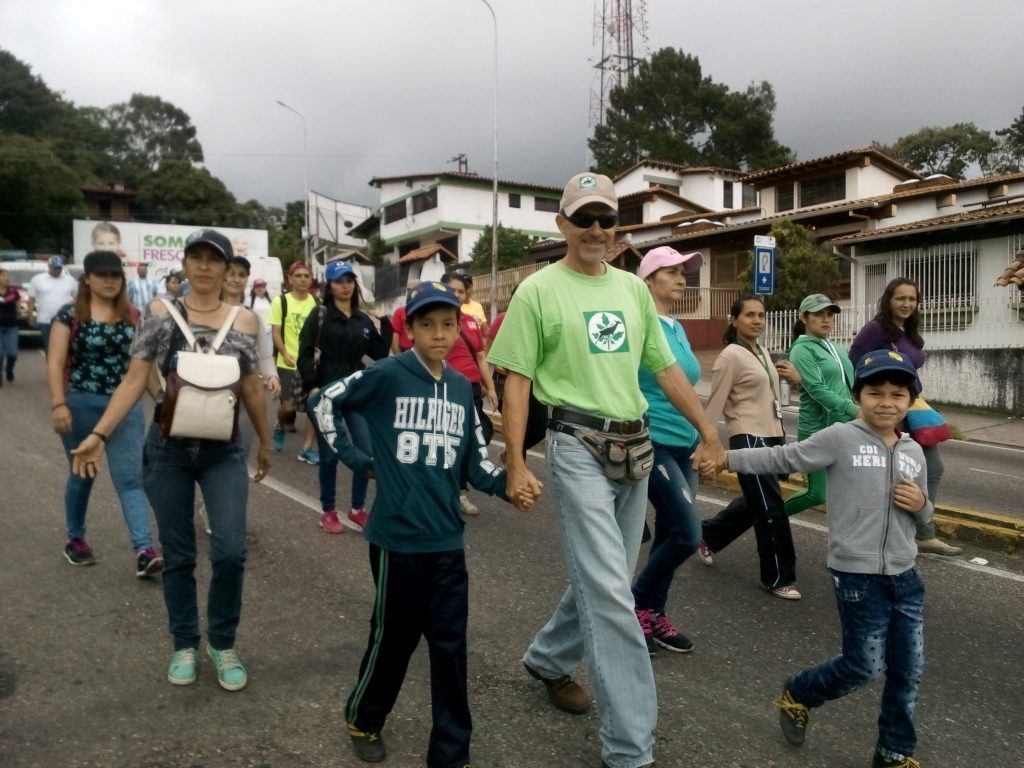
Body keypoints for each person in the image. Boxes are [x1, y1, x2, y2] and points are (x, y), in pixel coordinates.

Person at [487, 172, 725, 768]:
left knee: (608, 578)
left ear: (617, 229)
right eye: (584, 219)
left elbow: (666, 369)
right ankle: (629, 748)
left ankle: (546, 659)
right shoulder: (538, 292)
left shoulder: (632, 290)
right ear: (562, 224)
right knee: (613, 598)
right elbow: (516, 381)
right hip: (575, 445)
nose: (595, 230)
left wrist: (707, 429)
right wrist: (516, 462)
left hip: (635, 446)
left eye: (605, 220)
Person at [309, 281, 535, 768]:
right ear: (408, 329)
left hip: (447, 543)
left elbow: (475, 463)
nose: (439, 334)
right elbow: (324, 401)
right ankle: (364, 718)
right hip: (397, 542)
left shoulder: (459, 388)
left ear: (459, 328)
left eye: (448, 325)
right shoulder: (389, 374)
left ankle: (451, 753)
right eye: (427, 325)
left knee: (451, 647)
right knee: (394, 638)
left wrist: (508, 486)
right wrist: (353, 455)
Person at [70, 229, 273, 692]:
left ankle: (222, 643)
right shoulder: (161, 314)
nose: (204, 267)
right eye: (195, 258)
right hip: (169, 452)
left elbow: (251, 389)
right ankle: (184, 641)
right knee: (179, 555)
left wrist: (263, 442)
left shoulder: (245, 322)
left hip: (223, 453)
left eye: (213, 260)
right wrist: (99, 433)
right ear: (185, 265)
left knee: (230, 550)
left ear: (226, 270)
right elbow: (133, 379)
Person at [720, 349, 931, 768]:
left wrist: (922, 503)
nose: (886, 402)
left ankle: (893, 752)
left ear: (910, 401)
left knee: (909, 670)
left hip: (905, 576)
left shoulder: (914, 453)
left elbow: (928, 525)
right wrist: (725, 458)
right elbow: (784, 457)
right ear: (858, 395)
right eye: (875, 392)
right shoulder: (841, 437)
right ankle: (801, 692)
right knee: (863, 666)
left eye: (897, 394)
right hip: (857, 575)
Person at [45, 250, 161, 574]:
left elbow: (143, 370)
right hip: (80, 403)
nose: (110, 281)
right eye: (102, 275)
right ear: (88, 279)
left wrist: (166, 402)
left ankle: (144, 549)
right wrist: (58, 404)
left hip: (124, 407)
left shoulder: (135, 317)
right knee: (83, 473)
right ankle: (75, 539)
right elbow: (54, 363)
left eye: (115, 275)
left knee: (130, 478)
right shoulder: (68, 315)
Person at [697, 295, 803, 599]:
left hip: (771, 437)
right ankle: (779, 577)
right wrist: (707, 445)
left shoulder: (760, 351)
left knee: (757, 501)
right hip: (748, 438)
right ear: (734, 321)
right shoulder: (730, 355)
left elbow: (769, 397)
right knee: (770, 509)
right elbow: (715, 403)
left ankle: (707, 535)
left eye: (761, 315)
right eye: (749, 315)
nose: (757, 320)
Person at [629, 246, 706, 654]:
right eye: (672, 272)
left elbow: (685, 384)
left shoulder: (675, 326)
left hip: (684, 443)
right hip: (653, 440)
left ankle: (652, 614)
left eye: (684, 273)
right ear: (649, 279)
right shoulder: (639, 323)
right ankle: (634, 605)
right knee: (688, 534)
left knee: (669, 534)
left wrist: (701, 434)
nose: (682, 279)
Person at [850, 278, 961, 557]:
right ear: (889, 300)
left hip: (912, 407)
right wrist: (870, 397)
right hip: (889, 411)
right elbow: (855, 360)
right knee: (888, 474)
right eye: (901, 298)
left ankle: (922, 533)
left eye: (912, 299)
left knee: (932, 468)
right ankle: (887, 534)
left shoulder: (908, 331)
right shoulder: (875, 330)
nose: (907, 304)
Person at [300, 260, 392, 535]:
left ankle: (356, 509)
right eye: (340, 280)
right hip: (326, 395)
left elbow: (378, 353)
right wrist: (312, 387)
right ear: (330, 284)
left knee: (366, 452)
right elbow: (305, 353)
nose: (345, 285)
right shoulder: (320, 315)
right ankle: (328, 511)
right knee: (329, 455)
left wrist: (385, 323)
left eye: (349, 280)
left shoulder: (362, 319)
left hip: (356, 393)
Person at [783, 293, 859, 517]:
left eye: (829, 314)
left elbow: (848, 384)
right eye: (818, 315)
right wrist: (854, 410)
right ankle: (770, 520)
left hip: (845, 428)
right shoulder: (802, 349)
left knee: (848, 491)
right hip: (817, 429)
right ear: (804, 318)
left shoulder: (835, 348)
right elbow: (816, 389)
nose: (826, 319)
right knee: (816, 495)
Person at [441, 271, 498, 516]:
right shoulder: (435, 320)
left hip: (472, 389)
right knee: (456, 440)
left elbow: (481, 356)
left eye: (461, 291)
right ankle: (458, 492)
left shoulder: (472, 322)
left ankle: (452, 483)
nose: (457, 294)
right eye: (452, 290)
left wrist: (491, 387)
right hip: (447, 389)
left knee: (483, 433)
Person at [222, 256, 282, 449]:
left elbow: (264, 355)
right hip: (212, 395)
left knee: (240, 451)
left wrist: (272, 375)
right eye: (230, 273)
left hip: (246, 395)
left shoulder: (252, 317)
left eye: (241, 275)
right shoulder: (206, 311)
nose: (235, 279)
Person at [269, 261, 319, 463]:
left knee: (313, 406)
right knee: (288, 408)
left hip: (310, 363)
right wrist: (284, 352)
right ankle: (280, 425)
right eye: (298, 276)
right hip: (287, 362)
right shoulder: (281, 302)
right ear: (289, 279)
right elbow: (276, 332)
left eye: (306, 276)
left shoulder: (316, 302)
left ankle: (306, 448)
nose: (303, 279)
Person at [28, 255, 78, 351]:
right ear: (49, 266)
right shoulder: (37, 279)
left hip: (65, 320)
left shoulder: (70, 280)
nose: (57, 270)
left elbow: (76, 298)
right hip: (45, 320)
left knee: (65, 347)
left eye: (59, 268)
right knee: (50, 347)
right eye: (55, 268)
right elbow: (31, 298)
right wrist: (31, 315)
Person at [390, 277, 420, 354]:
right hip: (405, 351)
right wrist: (398, 356)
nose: (409, 292)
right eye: (408, 290)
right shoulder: (399, 312)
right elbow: (395, 335)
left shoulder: (428, 311)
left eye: (413, 289)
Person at [454, 270, 489, 336]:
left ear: (472, 287)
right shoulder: (455, 306)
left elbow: (485, 331)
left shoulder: (478, 306)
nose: (465, 290)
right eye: (463, 286)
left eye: (468, 287)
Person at [0, 268, 18, 385]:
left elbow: (11, 301)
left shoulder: (13, 291)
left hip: (11, 326)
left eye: (8, 275)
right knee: (0, 354)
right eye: (4, 276)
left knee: (12, 353)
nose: (7, 278)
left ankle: (9, 369)